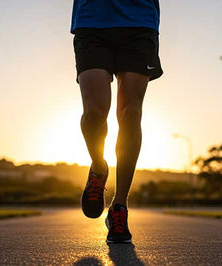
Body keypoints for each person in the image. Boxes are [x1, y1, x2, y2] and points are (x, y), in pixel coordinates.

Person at [71, 0, 163, 244]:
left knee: (131, 113)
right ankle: (99, 167)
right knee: (94, 112)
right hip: (91, 20)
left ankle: (119, 207)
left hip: (139, 22)